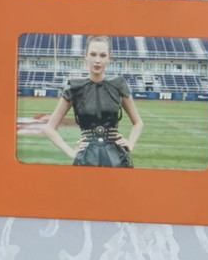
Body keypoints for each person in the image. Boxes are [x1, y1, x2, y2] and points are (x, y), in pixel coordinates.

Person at [32, 34, 143, 165]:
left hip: (117, 159)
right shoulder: (74, 87)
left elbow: (138, 123)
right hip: (86, 158)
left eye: (102, 55)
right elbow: (49, 128)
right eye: (93, 54)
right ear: (86, 56)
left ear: (109, 57)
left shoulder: (119, 85)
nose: (97, 60)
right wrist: (71, 153)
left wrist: (130, 144)